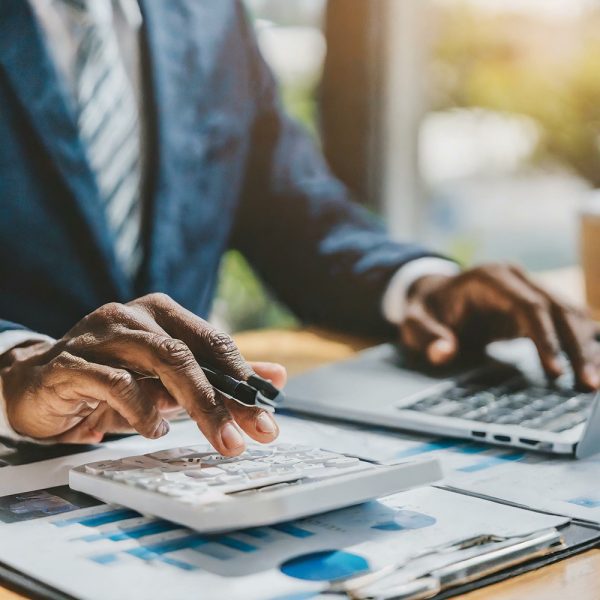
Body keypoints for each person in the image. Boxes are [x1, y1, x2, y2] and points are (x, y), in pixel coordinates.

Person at [0, 0, 598, 456]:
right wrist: (13, 370)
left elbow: (291, 211)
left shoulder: (209, 14)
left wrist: (421, 286)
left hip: (180, 460)